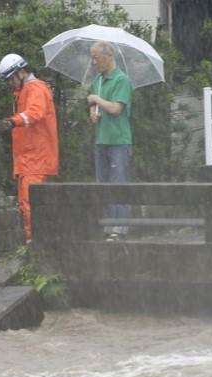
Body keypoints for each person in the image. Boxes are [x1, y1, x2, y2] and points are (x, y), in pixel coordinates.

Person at [0, 53, 59, 242]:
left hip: (35, 158)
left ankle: (36, 244)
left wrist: (12, 122)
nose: (10, 83)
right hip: (30, 158)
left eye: (10, 79)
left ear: (21, 73)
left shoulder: (35, 89)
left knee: (31, 203)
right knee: (30, 203)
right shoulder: (28, 90)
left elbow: (35, 113)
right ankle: (36, 242)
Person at [86, 41, 133, 241]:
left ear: (108, 56)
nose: (94, 62)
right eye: (93, 58)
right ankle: (107, 226)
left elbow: (116, 108)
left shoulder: (122, 80)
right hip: (102, 140)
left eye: (97, 57)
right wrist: (92, 112)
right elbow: (97, 107)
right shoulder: (97, 80)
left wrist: (96, 100)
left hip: (119, 140)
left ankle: (119, 228)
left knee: (118, 183)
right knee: (103, 184)